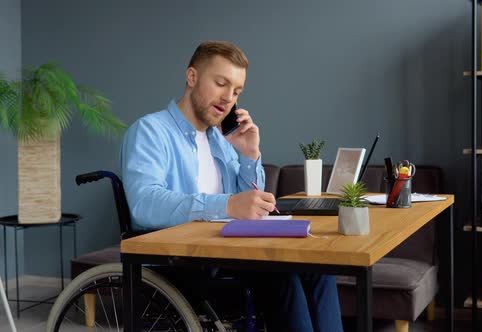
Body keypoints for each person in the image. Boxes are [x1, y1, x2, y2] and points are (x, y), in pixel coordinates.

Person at [120, 41, 343, 332]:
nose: (228, 98)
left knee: (318, 269)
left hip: (227, 253)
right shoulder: (150, 131)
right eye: (221, 83)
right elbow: (144, 204)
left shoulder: (218, 141)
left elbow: (248, 199)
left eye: (236, 91)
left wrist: (249, 155)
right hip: (180, 263)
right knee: (282, 277)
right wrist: (226, 205)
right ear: (192, 77)